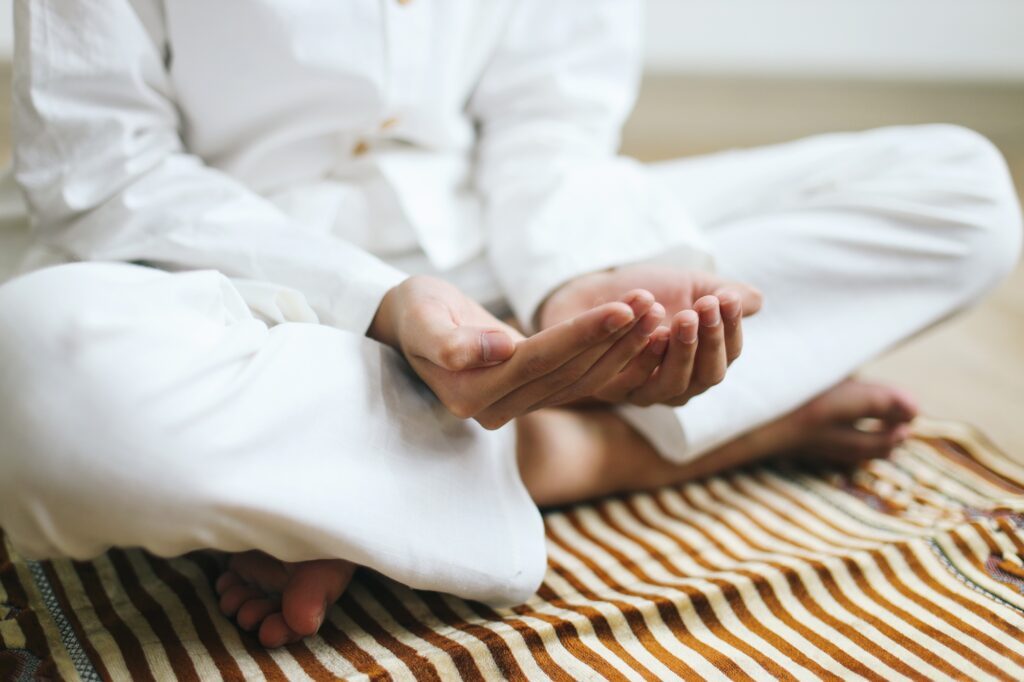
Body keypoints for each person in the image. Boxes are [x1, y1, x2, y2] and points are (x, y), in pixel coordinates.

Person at [0, 0, 1019, 649]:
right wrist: (380, 303)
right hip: (215, 280)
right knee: (35, 370)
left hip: (490, 249)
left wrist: (581, 278)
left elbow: (551, 123)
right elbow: (104, 176)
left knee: (958, 188)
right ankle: (599, 448)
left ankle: (355, 469)